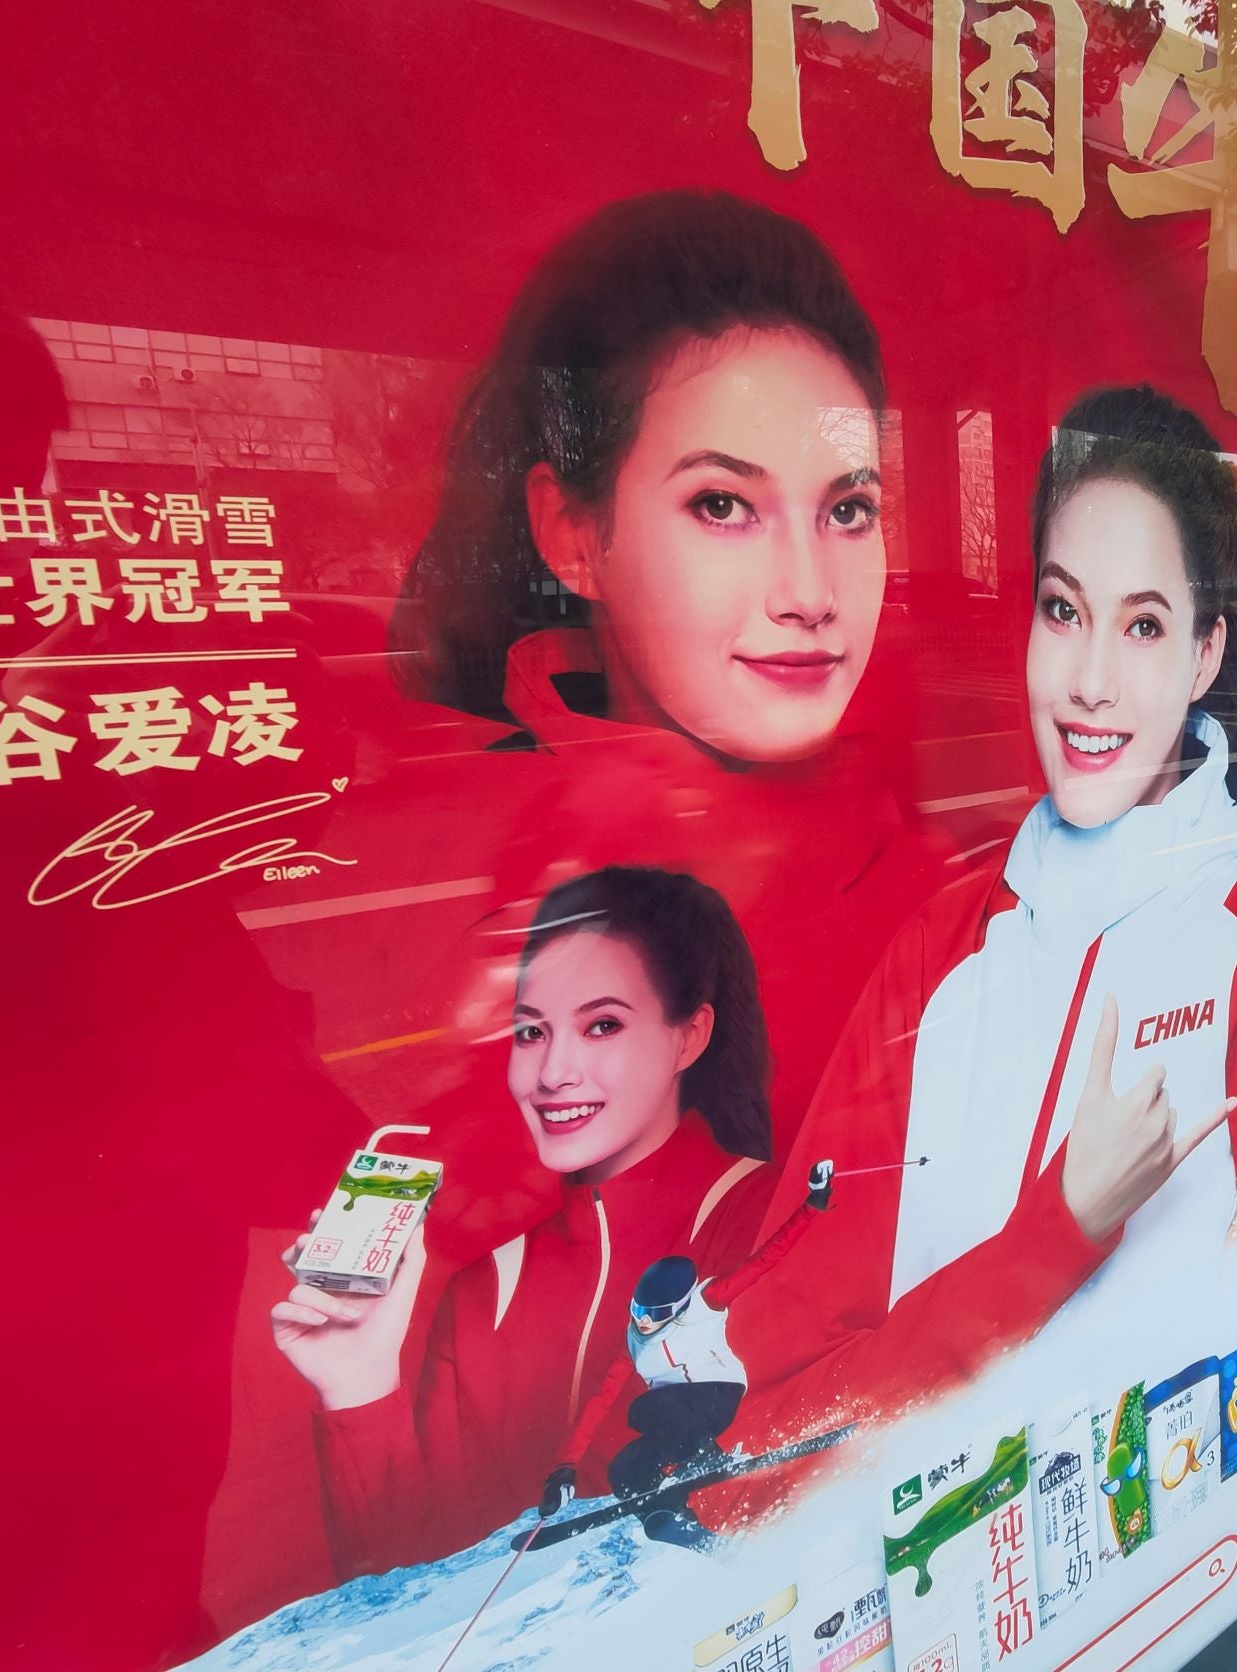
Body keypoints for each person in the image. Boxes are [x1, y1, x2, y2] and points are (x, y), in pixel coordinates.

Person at [711, 384, 1237, 1460]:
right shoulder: (944, 945)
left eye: (1142, 626)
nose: (1090, 682)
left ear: (1203, 656)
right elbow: (792, 1372)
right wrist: (1063, 1228)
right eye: (1063, 611)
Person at [393, 189, 951, 1200]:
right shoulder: (532, 881)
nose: (811, 594)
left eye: (849, 510)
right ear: (572, 535)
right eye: (723, 504)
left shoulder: (943, 883)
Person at [272, 866, 777, 1576]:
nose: (553, 1072)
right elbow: (416, 1593)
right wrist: (358, 1383)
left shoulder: (765, 1220)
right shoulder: (487, 1292)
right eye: (531, 1032)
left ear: (688, 1036)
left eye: (602, 1025)